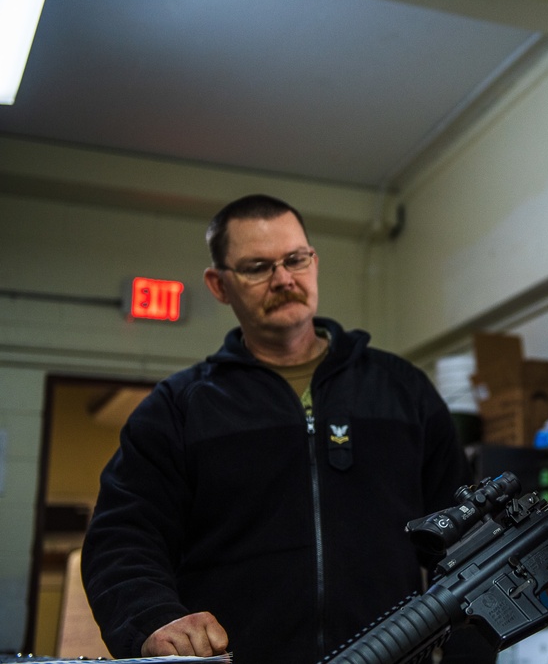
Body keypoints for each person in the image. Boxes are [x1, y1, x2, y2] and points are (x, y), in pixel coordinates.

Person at [82, 194, 491, 664]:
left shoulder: (402, 391)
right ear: (219, 284)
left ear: (313, 262)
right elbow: (122, 541)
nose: (283, 279)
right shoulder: (178, 408)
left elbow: (467, 544)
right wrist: (152, 619)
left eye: (295, 259)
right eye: (257, 266)